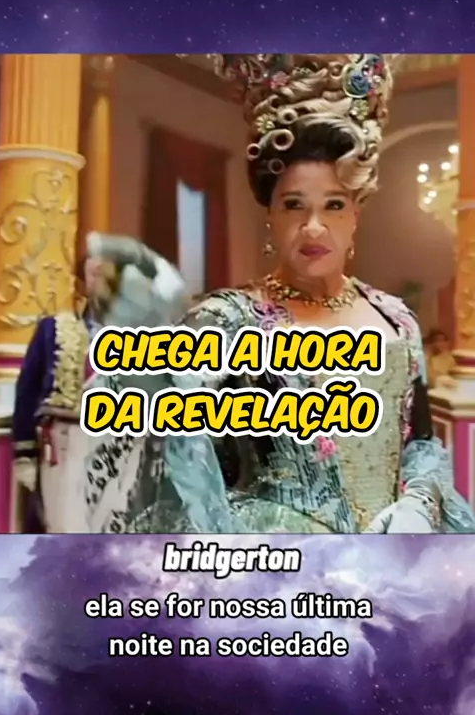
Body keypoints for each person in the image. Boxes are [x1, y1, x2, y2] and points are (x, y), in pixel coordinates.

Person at [88, 53, 475, 534]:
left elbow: (421, 442)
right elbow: (179, 469)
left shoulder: (397, 320)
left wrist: (419, 502)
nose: (314, 226)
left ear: (356, 215)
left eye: (333, 205)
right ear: (270, 214)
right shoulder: (225, 324)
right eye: (294, 205)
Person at [12, 238, 187, 532]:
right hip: (65, 444)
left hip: (123, 441)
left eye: (105, 272)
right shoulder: (55, 329)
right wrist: (25, 453)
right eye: (92, 272)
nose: (99, 279)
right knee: (66, 526)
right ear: (82, 282)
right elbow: (27, 392)